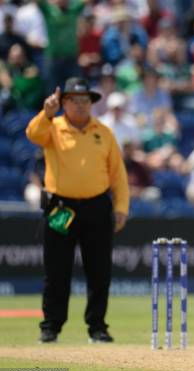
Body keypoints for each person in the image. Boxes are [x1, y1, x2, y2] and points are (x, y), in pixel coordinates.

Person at [26, 77, 129, 343]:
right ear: (64, 103)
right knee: (56, 270)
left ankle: (97, 327)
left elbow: (117, 175)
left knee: (99, 270)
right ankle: (50, 327)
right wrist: (46, 114)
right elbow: (33, 135)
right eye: (74, 100)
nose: (81, 106)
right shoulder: (53, 127)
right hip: (61, 206)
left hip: (96, 206)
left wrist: (120, 207)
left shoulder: (103, 132)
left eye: (85, 101)